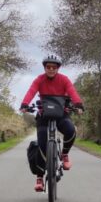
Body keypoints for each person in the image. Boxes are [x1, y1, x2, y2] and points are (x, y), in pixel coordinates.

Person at [20, 54, 84, 192]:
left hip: (61, 114)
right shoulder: (39, 79)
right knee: (42, 145)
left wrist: (78, 104)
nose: (51, 69)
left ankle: (64, 154)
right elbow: (31, 91)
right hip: (43, 115)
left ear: (57, 68)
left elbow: (72, 91)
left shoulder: (64, 79)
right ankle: (39, 178)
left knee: (71, 130)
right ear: (44, 68)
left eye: (54, 67)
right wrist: (25, 104)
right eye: (48, 67)